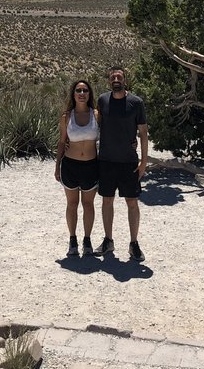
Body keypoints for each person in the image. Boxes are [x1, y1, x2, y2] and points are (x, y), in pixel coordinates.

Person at [96, 66, 148, 262]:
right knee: (106, 201)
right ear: (110, 80)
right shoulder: (103, 100)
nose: (116, 79)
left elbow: (143, 132)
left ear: (125, 80)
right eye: (113, 76)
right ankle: (108, 240)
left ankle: (134, 243)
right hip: (107, 160)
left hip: (128, 162)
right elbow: (96, 124)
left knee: (132, 203)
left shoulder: (136, 103)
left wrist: (143, 161)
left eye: (119, 76)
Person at [54, 79, 101, 257]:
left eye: (85, 91)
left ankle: (87, 240)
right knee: (72, 204)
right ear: (73, 94)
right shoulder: (66, 117)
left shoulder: (96, 114)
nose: (82, 94)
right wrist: (57, 165)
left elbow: (108, 135)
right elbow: (61, 142)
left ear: (90, 94)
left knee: (88, 204)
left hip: (91, 166)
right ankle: (72, 239)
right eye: (78, 90)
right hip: (70, 166)